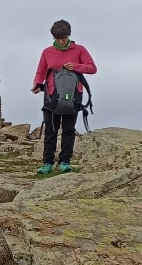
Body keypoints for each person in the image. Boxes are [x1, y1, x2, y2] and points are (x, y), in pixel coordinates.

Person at [31, 20, 97, 174]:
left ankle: (65, 162)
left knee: (68, 129)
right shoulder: (47, 52)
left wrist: (76, 66)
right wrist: (37, 84)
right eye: (58, 39)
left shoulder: (79, 50)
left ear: (69, 35)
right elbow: (40, 71)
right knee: (51, 129)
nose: (61, 41)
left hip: (73, 95)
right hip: (51, 95)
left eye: (64, 38)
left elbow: (92, 68)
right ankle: (47, 163)